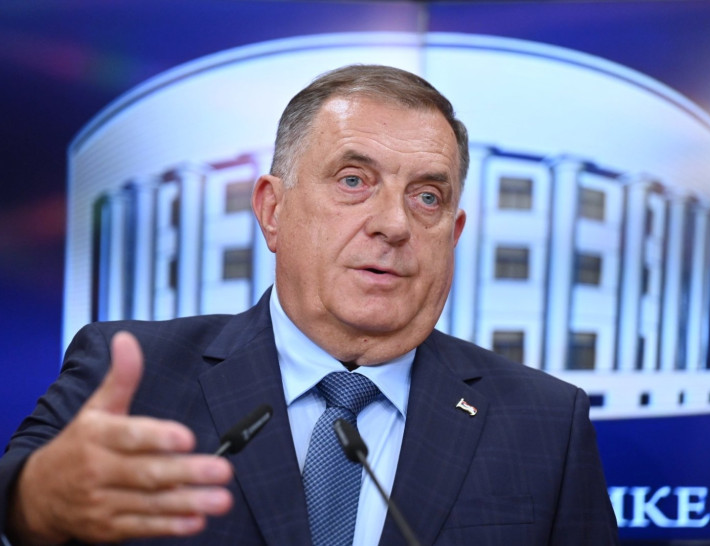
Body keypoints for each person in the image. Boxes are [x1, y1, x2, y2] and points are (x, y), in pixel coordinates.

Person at [0, 64, 619, 545]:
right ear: (273, 211)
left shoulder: (545, 422)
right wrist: (36, 502)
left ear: (452, 235)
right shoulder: (135, 374)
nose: (394, 224)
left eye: (427, 196)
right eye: (354, 180)